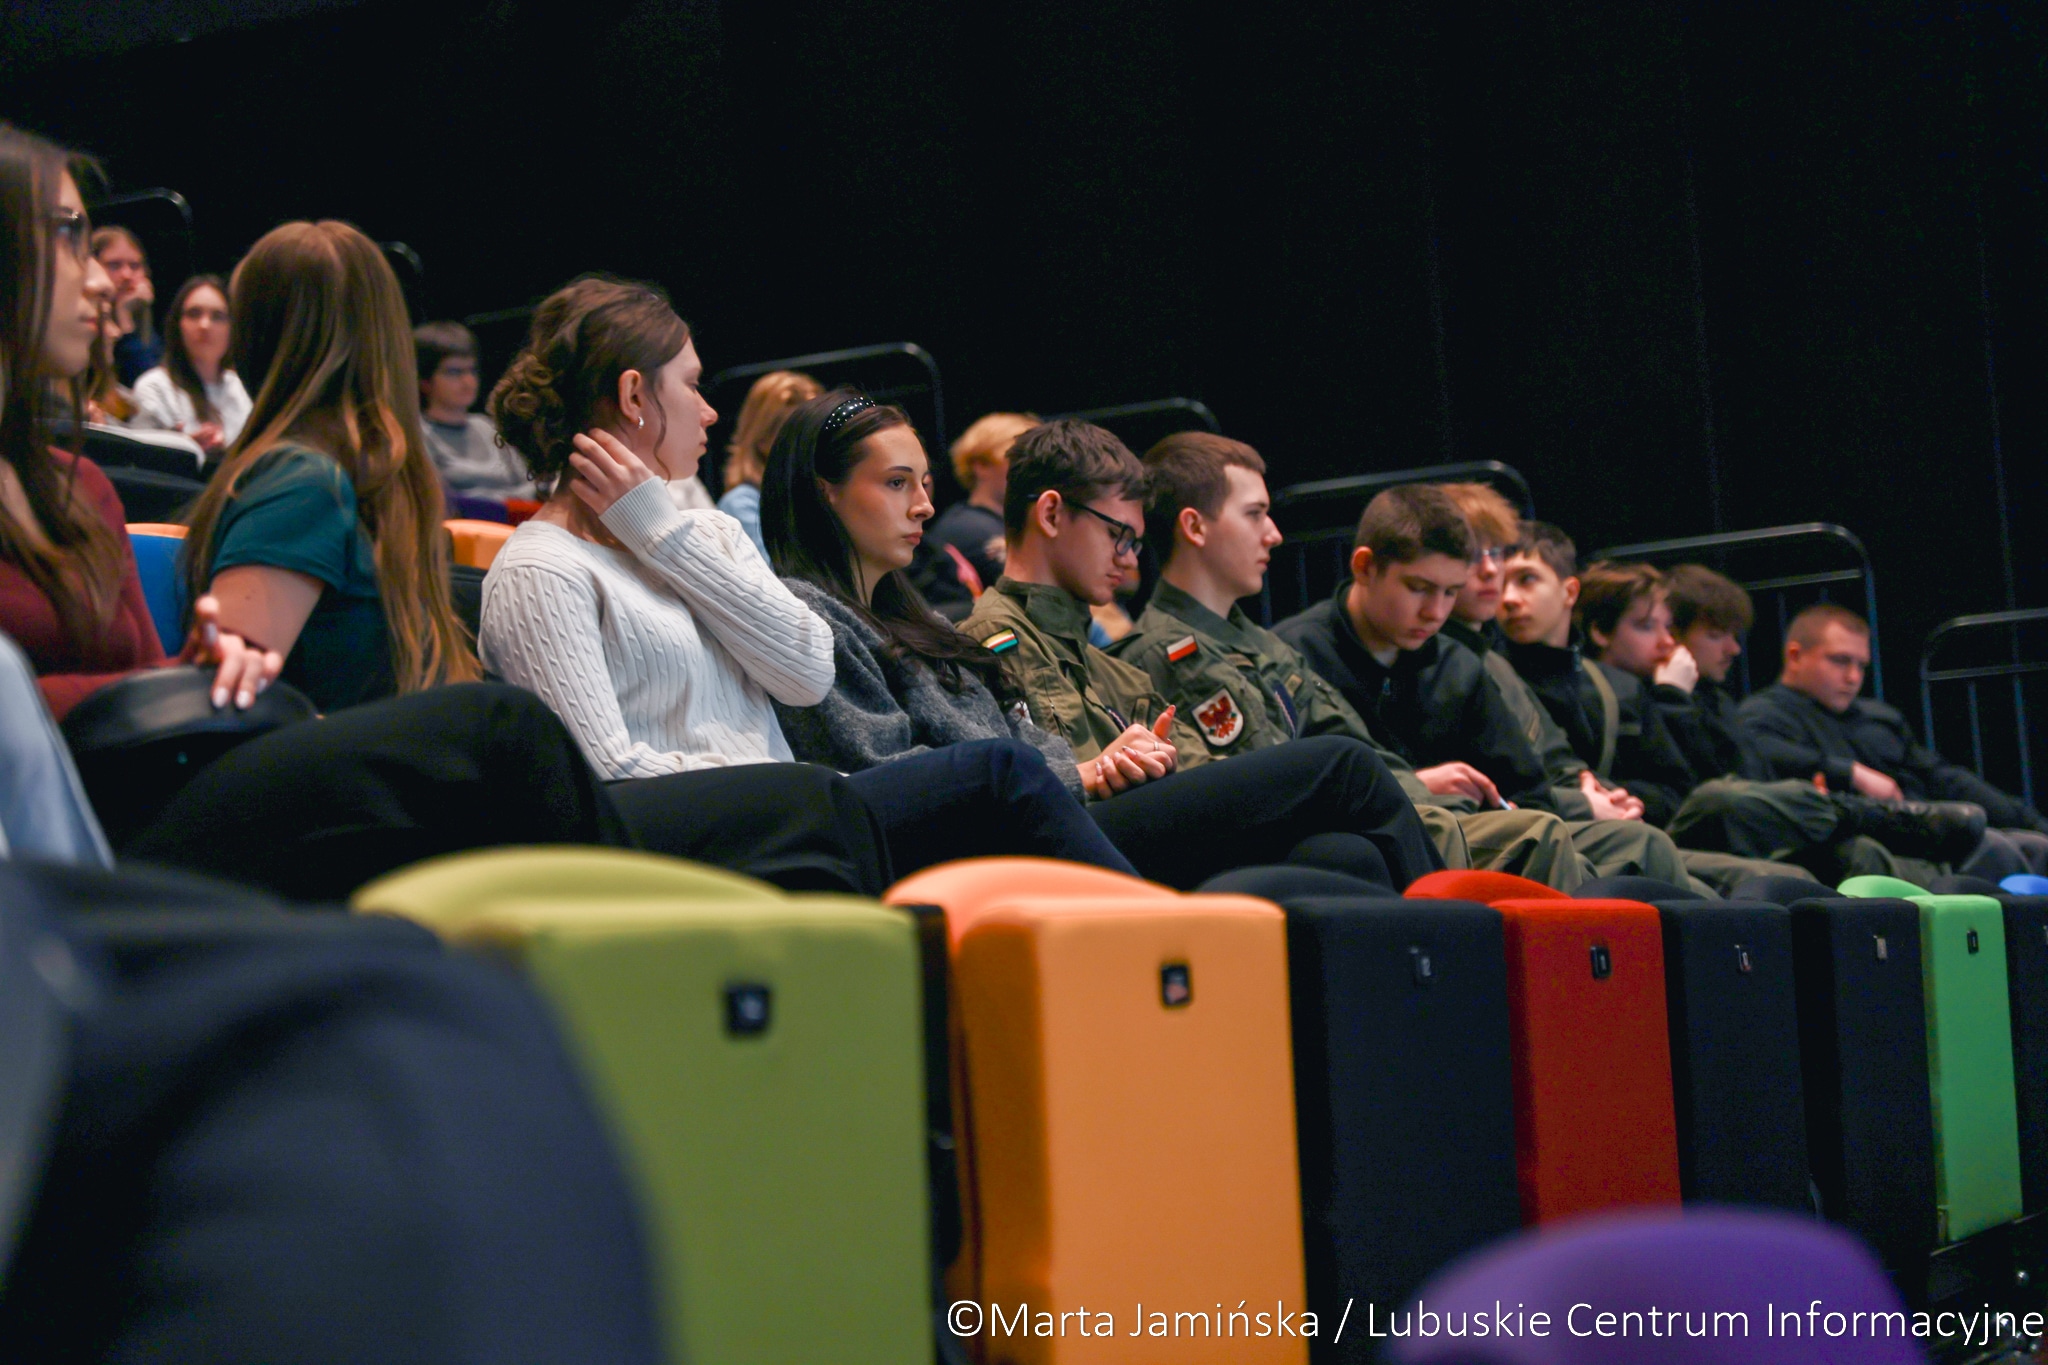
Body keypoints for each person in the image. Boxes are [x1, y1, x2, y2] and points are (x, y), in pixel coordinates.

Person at [479, 279, 1141, 881]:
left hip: (801, 812)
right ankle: (1169, 946)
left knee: (1008, 775)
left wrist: (661, 533)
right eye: (691, 385)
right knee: (1000, 771)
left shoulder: (703, 536)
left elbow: (805, 669)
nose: (710, 412)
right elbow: (607, 780)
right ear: (633, 396)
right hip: (740, 834)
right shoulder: (541, 570)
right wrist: (776, 787)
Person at [763, 396, 1425, 889]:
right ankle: (1465, 987)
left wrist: (1103, 764)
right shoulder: (806, 620)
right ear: (825, 495)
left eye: (926, 485)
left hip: (1061, 814)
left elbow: (1024, 745)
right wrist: (1084, 772)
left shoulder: (924, 624)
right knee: (1340, 765)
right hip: (1010, 848)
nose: (924, 508)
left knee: (1346, 859)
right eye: (896, 482)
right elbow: (891, 781)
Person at [958, 419, 1446, 888]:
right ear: (1050, 514)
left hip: (1141, 839)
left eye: (1135, 542)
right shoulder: (985, 643)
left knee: (1349, 858)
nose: (1129, 561)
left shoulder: (1113, 670)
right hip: (1070, 849)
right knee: (1344, 764)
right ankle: (1454, 940)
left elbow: (1198, 774)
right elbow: (1007, 800)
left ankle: (1421, 959)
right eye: (1117, 535)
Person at [1240, 472, 1690, 890]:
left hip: (1485, 828)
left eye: (1451, 592)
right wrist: (1419, 783)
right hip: (1385, 840)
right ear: (1365, 568)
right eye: (1419, 588)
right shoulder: (1295, 653)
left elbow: (1527, 789)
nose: (1436, 612)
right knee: (1546, 840)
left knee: (1647, 847)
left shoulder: (1457, 663)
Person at [1738, 602, 2048, 880]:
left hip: (1928, 830)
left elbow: (1943, 777)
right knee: (1997, 849)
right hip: (1872, 837)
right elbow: (1768, 754)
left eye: (1861, 665)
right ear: (1795, 656)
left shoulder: (1877, 716)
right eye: (1840, 660)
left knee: (2035, 844)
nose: (1853, 677)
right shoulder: (1764, 715)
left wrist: (2031, 819)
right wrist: (1850, 772)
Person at [414, 320, 537, 504]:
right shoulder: (418, 432)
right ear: (425, 381)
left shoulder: (486, 426)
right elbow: (440, 498)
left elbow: (530, 483)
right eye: (454, 372)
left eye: (472, 370)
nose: (468, 381)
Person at [130, 273, 251, 455]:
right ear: (177, 325)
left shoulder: (241, 389)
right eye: (194, 314)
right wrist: (186, 446)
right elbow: (143, 460)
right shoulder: (154, 387)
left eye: (217, 316)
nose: (204, 325)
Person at [718, 369, 820, 561]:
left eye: (816, 430)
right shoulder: (740, 505)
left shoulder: (826, 489)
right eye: (798, 436)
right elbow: (777, 581)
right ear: (763, 439)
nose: (812, 444)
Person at [929, 410, 1034, 590]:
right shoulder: (968, 528)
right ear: (982, 465)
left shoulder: (999, 522)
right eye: (1020, 459)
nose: (1034, 469)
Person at [88, 224, 158, 384]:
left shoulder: (147, 331)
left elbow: (152, 391)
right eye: (114, 265)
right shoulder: (84, 328)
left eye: (134, 266)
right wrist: (124, 318)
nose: (126, 275)